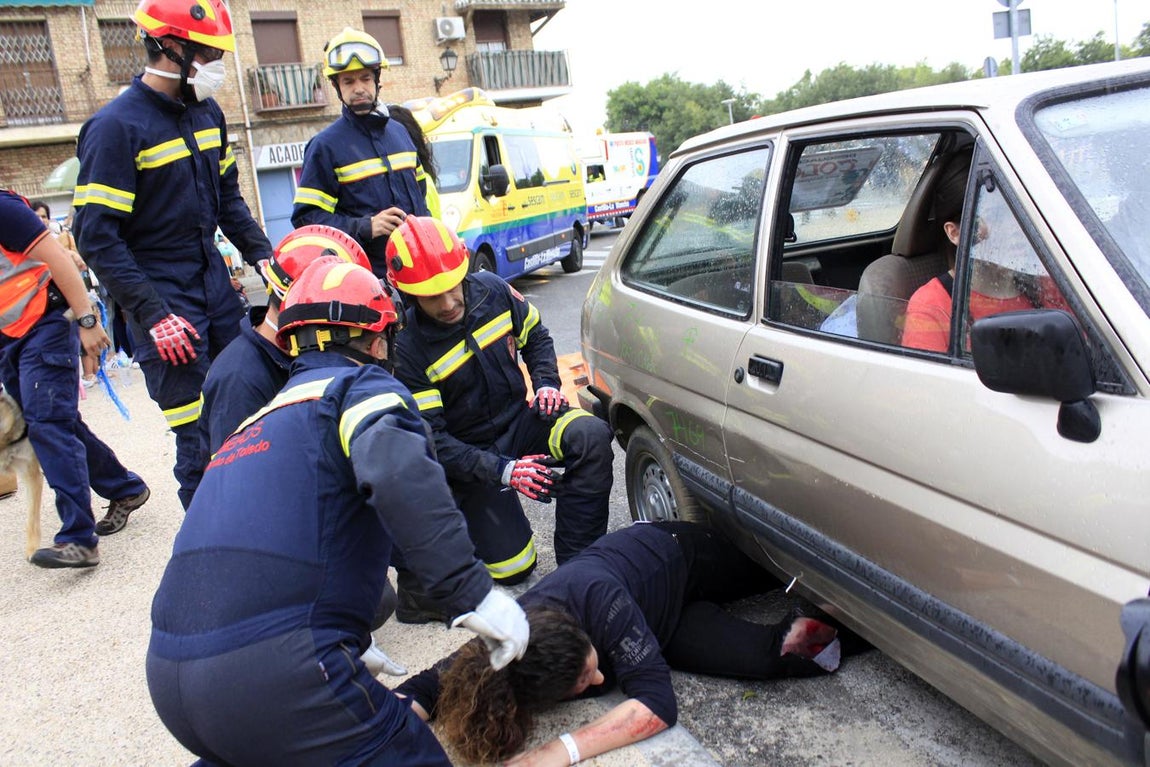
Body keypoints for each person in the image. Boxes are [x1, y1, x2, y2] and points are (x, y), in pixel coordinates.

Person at [146, 258, 529, 766]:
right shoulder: (359, 389)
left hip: (173, 680)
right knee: (406, 751)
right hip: (275, 673)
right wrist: (472, 593)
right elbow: (398, 475)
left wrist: (339, 632)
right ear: (376, 342)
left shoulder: (255, 424)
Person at [397, 521, 846, 765]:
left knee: (777, 567)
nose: (597, 678)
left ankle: (865, 610)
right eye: (582, 683)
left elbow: (657, 706)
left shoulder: (600, 599)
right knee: (773, 656)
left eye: (590, 666)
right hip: (661, 622)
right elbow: (421, 688)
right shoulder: (508, 645)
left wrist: (556, 753)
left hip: (681, 558)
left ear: (580, 633)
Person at [73, 0, 274, 511]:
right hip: (162, 297)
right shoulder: (116, 128)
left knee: (251, 409)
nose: (218, 64)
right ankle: (209, 564)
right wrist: (154, 315)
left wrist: (263, 256)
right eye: (209, 51)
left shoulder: (208, 113)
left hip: (212, 284)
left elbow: (228, 196)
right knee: (198, 437)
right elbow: (96, 235)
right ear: (171, 48)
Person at [386, 216, 614, 617]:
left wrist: (545, 382)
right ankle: (459, 528)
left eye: (452, 285)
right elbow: (435, 441)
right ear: (408, 294)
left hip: (523, 421)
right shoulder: (408, 349)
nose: (448, 303)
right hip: (471, 456)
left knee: (591, 436)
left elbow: (537, 336)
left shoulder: (492, 291)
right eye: (431, 295)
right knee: (514, 568)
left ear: (464, 268)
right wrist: (503, 471)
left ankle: (579, 564)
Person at [0, 189, 150, 567]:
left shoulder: (3, 209)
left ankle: (79, 540)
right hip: (10, 338)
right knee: (51, 423)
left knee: (49, 425)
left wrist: (88, 321)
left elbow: (59, 259)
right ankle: (125, 488)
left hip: (45, 325)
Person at [291, 28, 431, 277]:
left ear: (377, 80)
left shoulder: (400, 133)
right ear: (336, 86)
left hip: (419, 269)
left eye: (365, 78)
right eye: (348, 81)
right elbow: (306, 219)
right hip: (368, 277)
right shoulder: (325, 146)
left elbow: (422, 201)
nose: (358, 88)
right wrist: (365, 226)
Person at [901, 147, 1037, 352]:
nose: (1016, 228)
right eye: (996, 216)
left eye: (1018, 212)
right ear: (955, 233)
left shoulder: (1047, 286)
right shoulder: (933, 305)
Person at [31, 200, 100, 387]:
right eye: (36, 216)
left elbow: (76, 262)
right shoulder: (23, 245)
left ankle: (90, 375)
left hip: (63, 313)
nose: (40, 220)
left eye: (44, 216)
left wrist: (86, 318)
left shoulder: (59, 238)